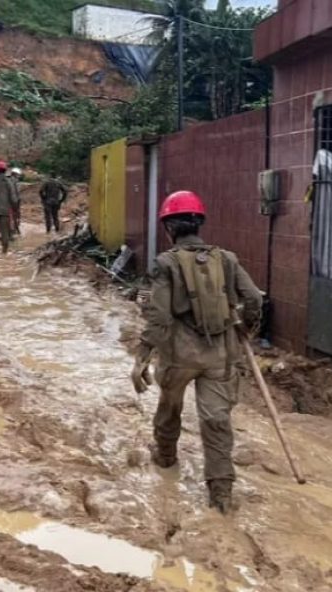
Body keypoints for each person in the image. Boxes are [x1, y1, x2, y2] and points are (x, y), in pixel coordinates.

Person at [131, 190, 263, 515]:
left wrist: (142, 357)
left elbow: (159, 317)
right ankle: (220, 497)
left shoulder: (166, 263)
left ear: (169, 229)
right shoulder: (227, 259)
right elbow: (254, 299)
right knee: (217, 421)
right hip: (221, 354)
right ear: (199, 223)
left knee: (170, 408)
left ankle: (165, 460)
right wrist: (248, 325)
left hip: (179, 355)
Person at [8, 167, 23, 235]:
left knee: (10, 215)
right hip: (15, 201)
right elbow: (18, 192)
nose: (18, 176)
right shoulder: (16, 181)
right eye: (18, 175)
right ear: (15, 174)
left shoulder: (7, 180)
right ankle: (15, 229)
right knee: (16, 215)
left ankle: (11, 228)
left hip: (8, 201)